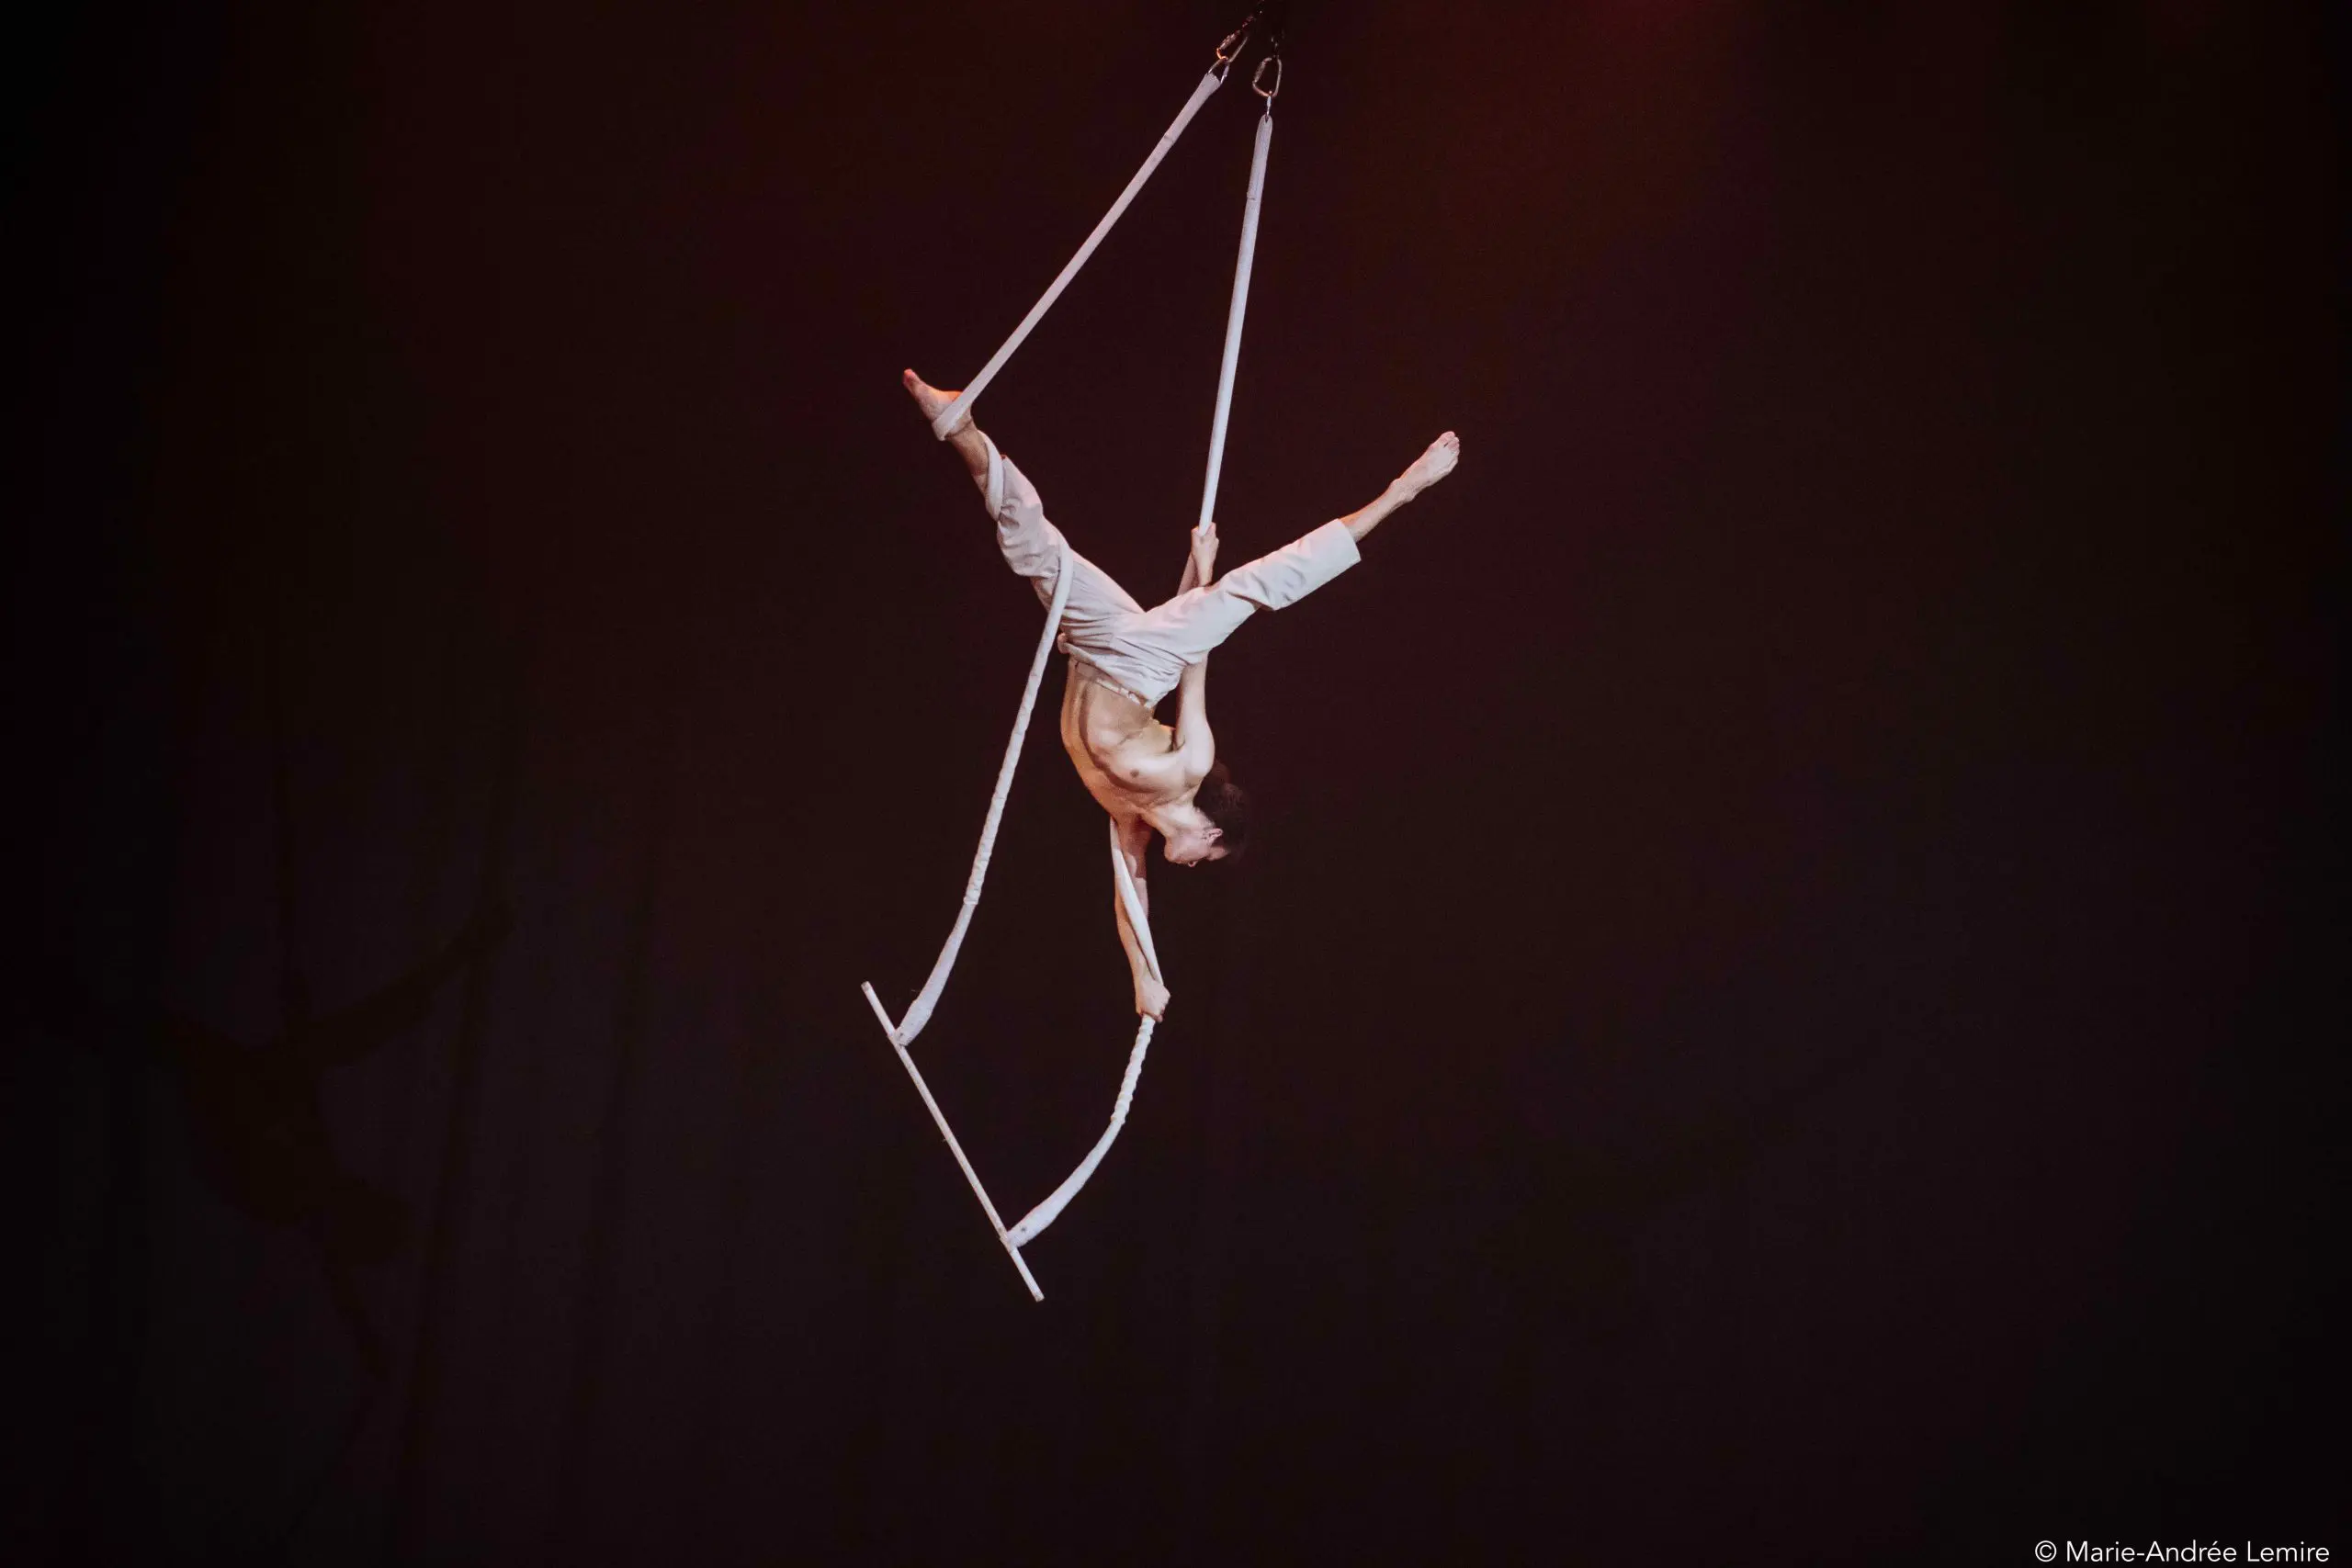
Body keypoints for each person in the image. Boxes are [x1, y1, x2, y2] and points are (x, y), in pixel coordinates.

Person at [903, 368, 1459, 1021]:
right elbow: (1193, 659)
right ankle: (1401, 491)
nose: (1193, 866)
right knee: (1251, 590)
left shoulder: (1131, 822)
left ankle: (959, 429)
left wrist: (1147, 980)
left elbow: (1129, 903)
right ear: (1210, 829)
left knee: (1032, 546)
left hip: (1091, 646)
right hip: (1142, 663)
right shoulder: (1191, 762)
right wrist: (1204, 570)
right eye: (1208, 855)